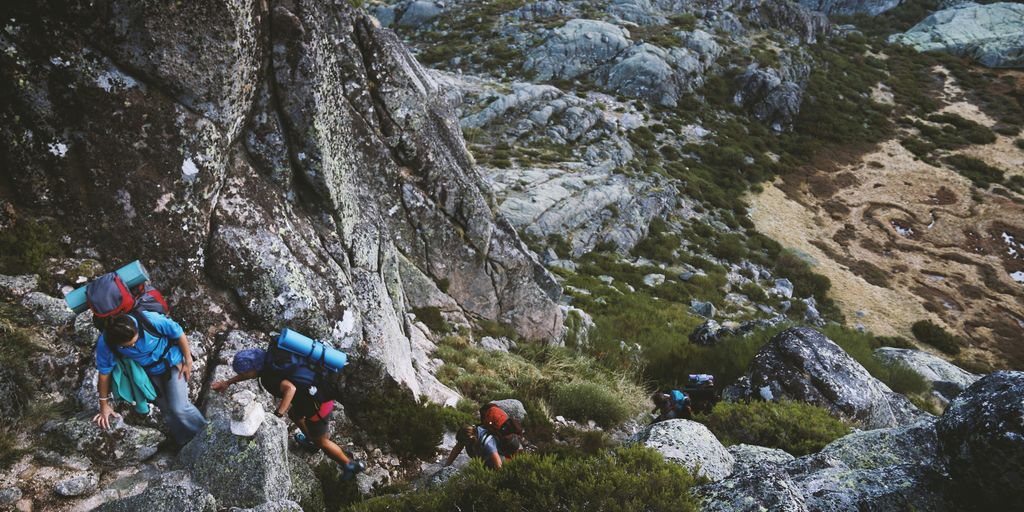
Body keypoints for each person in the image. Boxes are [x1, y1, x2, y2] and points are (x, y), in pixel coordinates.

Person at [211, 348, 365, 479]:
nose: (244, 375)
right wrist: (227, 382)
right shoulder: (269, 357)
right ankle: (311, 441)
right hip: (311, 395)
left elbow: (290, 389)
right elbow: (248, 373)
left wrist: (277, 415)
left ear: (253, 368)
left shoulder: (269, 377)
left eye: (244, 373)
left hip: (319, 404)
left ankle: (349, 464)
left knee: (322, 442)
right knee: (295, 415)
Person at [92, 312, 207, 446]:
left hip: (172, 363)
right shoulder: (106, 343)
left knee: (180, 407)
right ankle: (184, 442)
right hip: (150, 373)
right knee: (167, 411)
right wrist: (104, 406)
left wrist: (188, 360)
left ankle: (207, 435)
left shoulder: (149, 320)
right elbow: (104, 373)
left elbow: (177, 332)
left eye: (135, 342)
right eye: (127, 346)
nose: (134, 347)